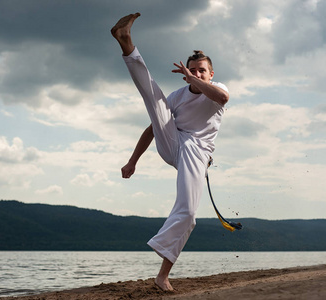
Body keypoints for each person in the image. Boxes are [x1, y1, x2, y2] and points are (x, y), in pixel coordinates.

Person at [111, 13, 229, 291]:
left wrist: (193, 79)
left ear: (211, 74)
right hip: (173, 144)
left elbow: (220, 98)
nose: (196, 74)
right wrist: (132, 161)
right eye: (192, 70)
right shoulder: (177, 96)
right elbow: (153, 127)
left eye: (202, 71)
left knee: (188, 214)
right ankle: (126, 43)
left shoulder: (218, 89)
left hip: (197, 153)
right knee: (154, 98)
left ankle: (162, 276)